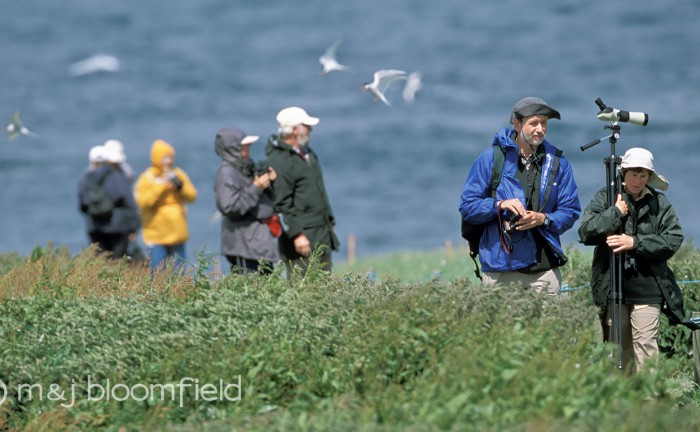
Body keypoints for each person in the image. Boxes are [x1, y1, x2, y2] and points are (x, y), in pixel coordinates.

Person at [578, 147, 698, 372]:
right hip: (613, 288)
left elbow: (673, 239)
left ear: (649, 176)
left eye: (643, 175)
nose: (638, 180)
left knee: (646, 348)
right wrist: (614, 212)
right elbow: (585, 233)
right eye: (634, 174)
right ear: (623, 173)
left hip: (648, 289)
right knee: (618, 352)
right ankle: (624, 404)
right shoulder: (606, 198)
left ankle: (649, 403)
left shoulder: (659, 202)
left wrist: (635, 243)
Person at [459, 97, 581, 294]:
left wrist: (544, 219)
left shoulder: (558, 163)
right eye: (534, 123)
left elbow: (570, 210)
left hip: (545, 270)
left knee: (549, 326)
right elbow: (467, 206)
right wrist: (499, 205)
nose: (540, 129)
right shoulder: (490, 159)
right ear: (516, 124)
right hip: (501, 270)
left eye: (544, 123)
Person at [265, 106, 340, 275]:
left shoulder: (308, 154)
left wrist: (330, 223)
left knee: (323, 288)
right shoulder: (279, 161)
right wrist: (297, 235)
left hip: (321, 233)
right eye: (306, 126)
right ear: (293, 130)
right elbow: (280, 204)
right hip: (301, 240)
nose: (311, 129)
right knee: (303, 290)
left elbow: (320, 192)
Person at [214, 127, 280, 274]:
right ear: (233, 149)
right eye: (244, 146)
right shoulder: (226, 173)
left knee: (266, 291)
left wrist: (270, 182)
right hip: (243, 245)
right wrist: (256, 187)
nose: (248, 149)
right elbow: (230, 207)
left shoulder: (243, 168)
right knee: (249, 290)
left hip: (256, 243)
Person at [134, 139, 197, 271]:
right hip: (157, 235)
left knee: (179, 272)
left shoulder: (177, 173)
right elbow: (143, 202)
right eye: (164, 157)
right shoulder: (148, 177)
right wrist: (161, 187)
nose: (167, 161)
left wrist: (180, 187)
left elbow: (192, 196)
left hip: (177, 232)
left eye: (170, 157)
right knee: (158, 273)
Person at [78, 144, 140, 259]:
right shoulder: (116, 176)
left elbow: (82, 206)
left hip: (95, 227)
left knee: (99, 262)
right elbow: (128, 202)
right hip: (118, 227)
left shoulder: (85, 178)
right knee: (117, 263)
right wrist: (134, 227)